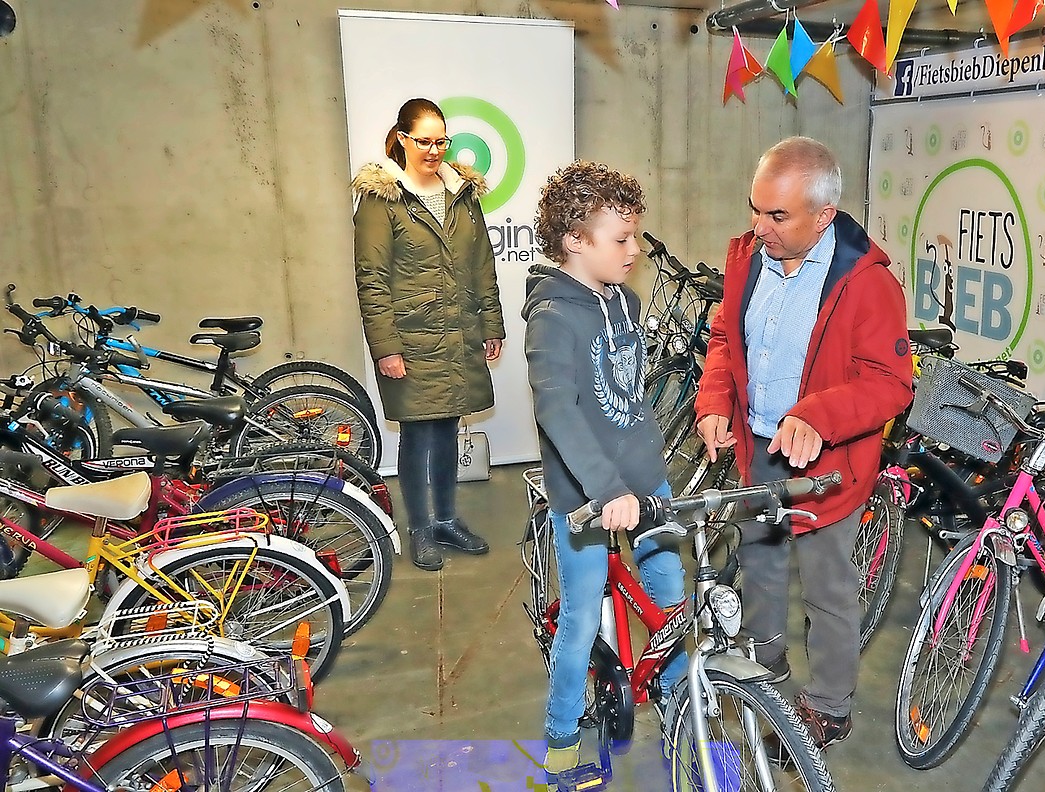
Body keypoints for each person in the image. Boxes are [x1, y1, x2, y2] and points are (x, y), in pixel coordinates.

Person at [695, 136, 913, 749]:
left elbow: (891, 383)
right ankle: (764, 676)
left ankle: (828, 706)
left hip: (828, 465)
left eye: (776, 216)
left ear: (823, 217)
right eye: (755, 209)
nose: (758, 226)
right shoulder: (748, 257)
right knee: (759, 570)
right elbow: (722, 340)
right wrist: (715, 403)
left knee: (828, 590)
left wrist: (818, 414)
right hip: (757, 449)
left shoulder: (867, 284)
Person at [523, 161, 688, 776]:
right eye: (620, 239)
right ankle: (562, 730)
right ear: (575, 240)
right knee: (581, 612)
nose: (633, 250)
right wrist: (605, 486)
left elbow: (630, 395)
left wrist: (651, 465)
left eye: (634, 236)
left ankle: (676, 704)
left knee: (673, 598)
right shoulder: (553, 318)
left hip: (645, 480)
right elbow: (558, 411)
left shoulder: (627, 301)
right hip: (588, 494)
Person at [352, 98, 505, 572]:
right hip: (411, 339)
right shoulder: (382, 200)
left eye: (441, 141)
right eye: (424, 141)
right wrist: (387, 348)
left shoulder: (463, 194)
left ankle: (445, 520)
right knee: (417, 434)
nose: (434, 150)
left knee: (446, 427)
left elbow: (482, 264)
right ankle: (418, 528)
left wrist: (492, 325)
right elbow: (371, 277)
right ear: (401, 139)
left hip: (458, 333)